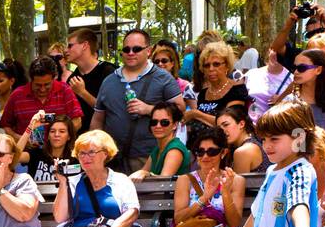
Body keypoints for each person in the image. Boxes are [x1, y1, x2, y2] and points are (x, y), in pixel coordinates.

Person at [92, 29, 187, 172]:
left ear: (148, 51)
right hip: (112, 159)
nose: (130, 53)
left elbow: (180, 110)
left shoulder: (163, 78)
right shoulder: (109, 81)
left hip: (148, 157)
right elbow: (98, 119)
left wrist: (149, 109)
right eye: (126, 49)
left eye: (136, 49)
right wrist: (95, 149)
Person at [184, 41, 250, 149]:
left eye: (216, 64)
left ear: (227, 66)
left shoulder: (236, 90)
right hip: (200, 149)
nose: (211, 69)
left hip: (226, 149)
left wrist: (196, 114)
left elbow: (229, 124)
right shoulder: (203, 93)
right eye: (206, 65)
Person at [0, 57, 82, 139]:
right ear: (31, 80)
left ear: (54, 78)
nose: (42, 89)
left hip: (60, 149)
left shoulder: (64, 90)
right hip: (27, 148)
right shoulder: (17, 95)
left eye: (47, 84)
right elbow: (5, 126)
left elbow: (77, 121)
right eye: (38, 85)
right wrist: (21, 139)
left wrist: (60, 137)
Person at [273, 48, 325, 133]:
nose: (296, 72)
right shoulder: (290, 102)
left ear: (318, 70)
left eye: (301, 68)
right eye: (294, 68)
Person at [129, 103, 190, 179]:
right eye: (154, 122)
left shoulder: (175, 149)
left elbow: (163, 181)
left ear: (175, 125)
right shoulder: (158, 149)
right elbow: (141, 173)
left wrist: (146, 174)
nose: (158, 126)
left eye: (164, 122)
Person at [14, 111, 76, 183]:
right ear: (48, 136)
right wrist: (30, 127)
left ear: (69, 136)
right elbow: (14, 157)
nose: (56, 134)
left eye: (62, 131)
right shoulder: (36, 154)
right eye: (52, 131)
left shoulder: (75, 159)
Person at [217, 102, 267, 173]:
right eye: (219, 128)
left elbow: (238, 184)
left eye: (226, 125)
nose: (222, 131)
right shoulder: (251, 142)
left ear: (241, 124)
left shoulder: (243, 151)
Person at [246, 50, 294, 124]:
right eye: (275, 52)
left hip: (277, 126)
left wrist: (282, 98)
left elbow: (297, 104)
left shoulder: (293, 78)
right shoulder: (252, 74)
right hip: (251, 126)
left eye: (281, 54)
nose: (277, 57)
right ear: (269, 52)